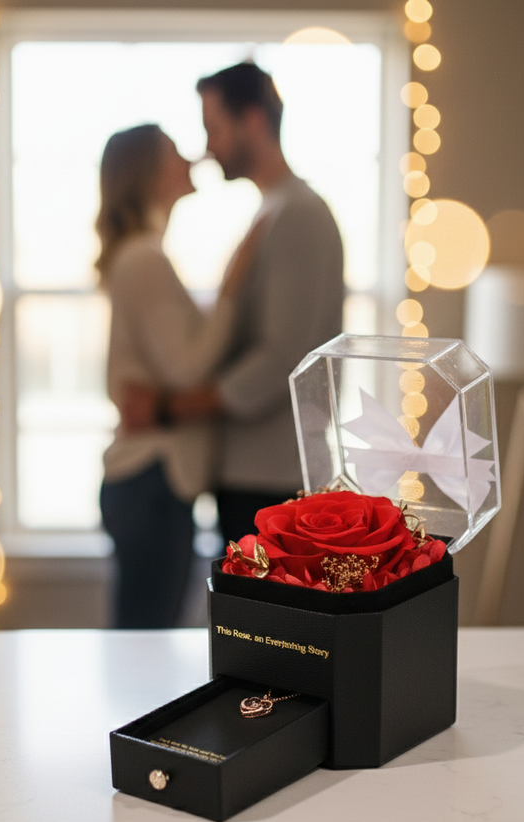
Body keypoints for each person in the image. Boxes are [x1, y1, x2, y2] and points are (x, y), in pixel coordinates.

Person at [134, 62, 345, 546]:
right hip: (253, 474)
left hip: (272, 481)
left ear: (252, 120)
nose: (207, 147)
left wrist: (169, 408)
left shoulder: (299, 215)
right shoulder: (274, 210)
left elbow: (281, 361)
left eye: (213, 128)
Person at [96, 124, 256, 629]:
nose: (188, 158)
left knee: (144, 636)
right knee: (145, 642)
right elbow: (186, 367)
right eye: (172, 152)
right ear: (146, 172)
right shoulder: (144, 258)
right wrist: (232, 290)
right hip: (152, 482)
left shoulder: (143, 255)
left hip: (151, 484)